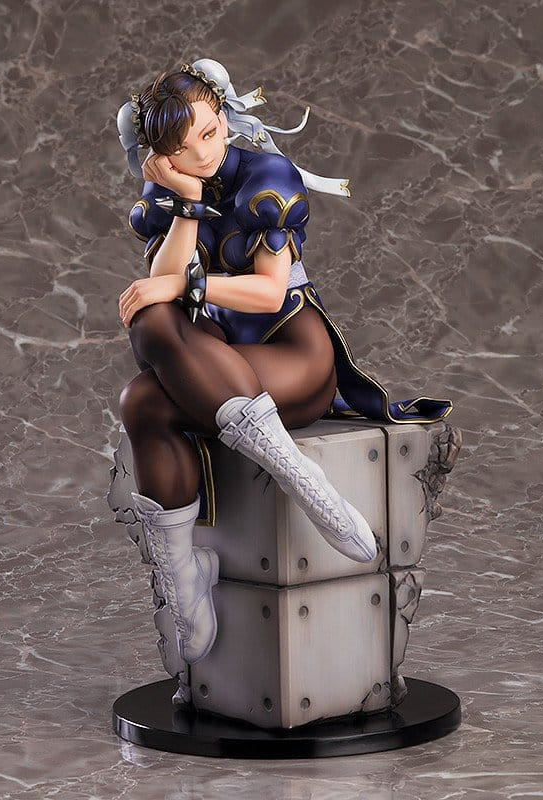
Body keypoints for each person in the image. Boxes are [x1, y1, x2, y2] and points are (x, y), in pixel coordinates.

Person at [116, 59, 453, 667]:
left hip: (296, 356)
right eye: (186, 148)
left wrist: (190, 284)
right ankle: (185, 580)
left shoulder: (266, 177)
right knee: (148, 346)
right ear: (162, 158)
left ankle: (302, 480)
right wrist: (186, 204)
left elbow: (269, 294)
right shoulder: (172, 190)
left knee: (145, 386)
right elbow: (159, 291)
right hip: (222, 364)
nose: (207, 152)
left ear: (225, 116)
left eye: (212, 131)